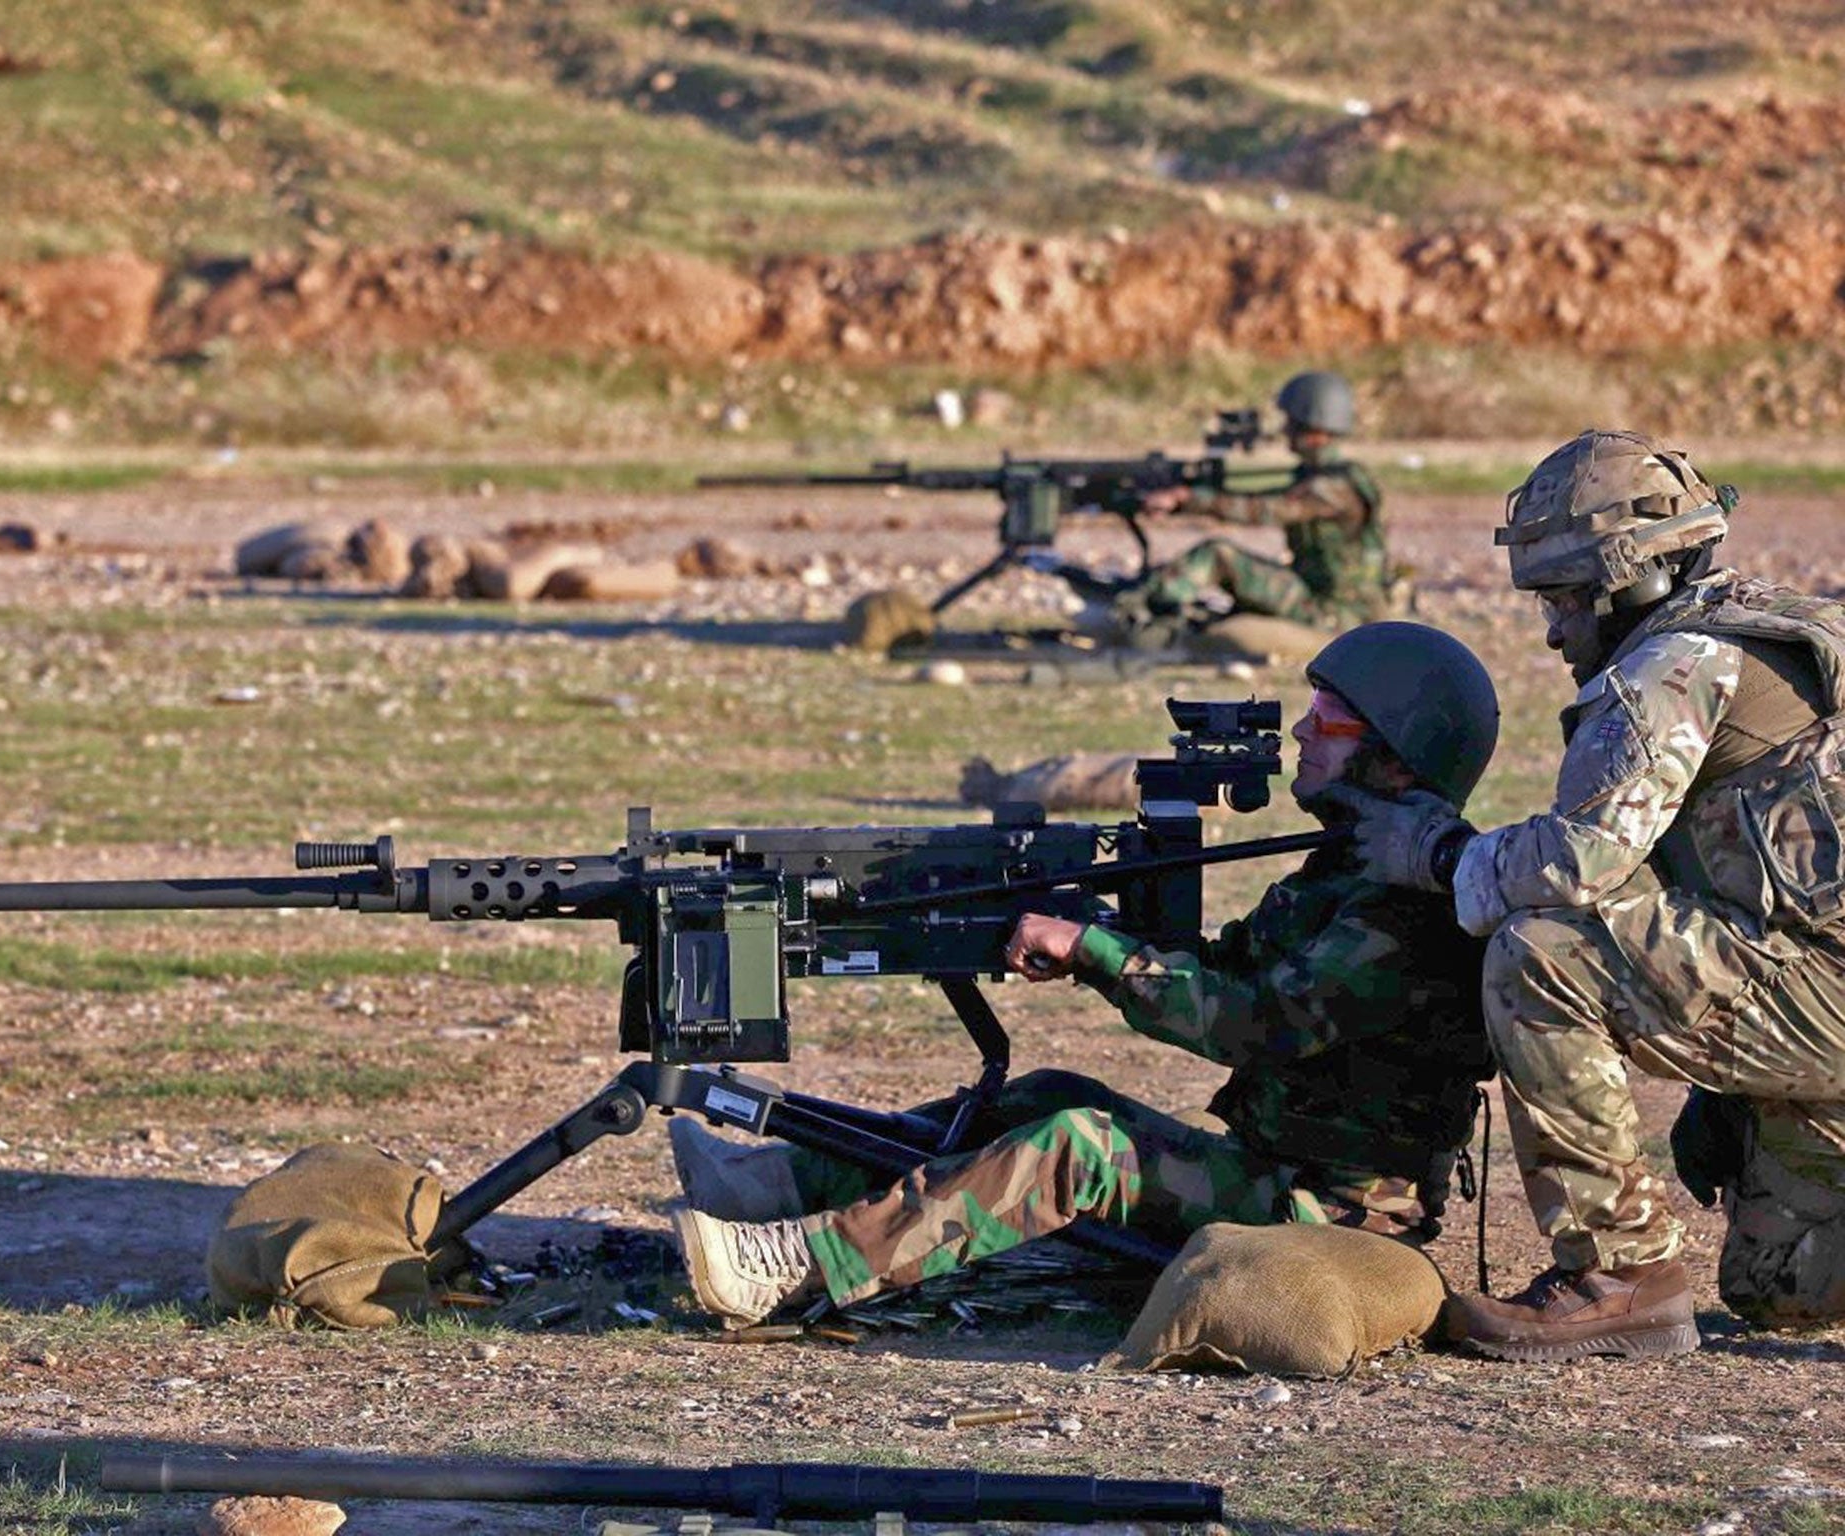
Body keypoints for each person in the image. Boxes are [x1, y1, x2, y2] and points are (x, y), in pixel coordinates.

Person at [669, 622, 1500, 1328]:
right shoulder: (1345, 874)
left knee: (1080, 1149)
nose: (1302, 733)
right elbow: (1229, 968)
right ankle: (772, 1184)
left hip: (1332, 1210)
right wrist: (1097, 935)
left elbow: (1251, 1022)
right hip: (1278, 1168)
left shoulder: (1403, 911)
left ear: (1396, 758)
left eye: (1330, 718)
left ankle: (796, 1269)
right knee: (1049, 1095)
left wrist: (1100, 954)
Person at [1329, 430, 1845, 1362]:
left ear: (1631, 581)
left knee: (1541, 951)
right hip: (1823, 988)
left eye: (1565, 600)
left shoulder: (1677, 667)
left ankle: (1622, 1277)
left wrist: (1439, 854)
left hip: (1829, 996)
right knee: (1780, 1288)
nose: (1555, 629)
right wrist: (1728, 1089)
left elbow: (1578, 864)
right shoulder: (1787, 631)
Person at [1133, 371, 1393, 629]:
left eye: (1292, 422)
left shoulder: (1335, 486)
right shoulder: (1329, 476)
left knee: (1219, 555)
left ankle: (1143, 613)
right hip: (1329, 601)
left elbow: (1268, 510)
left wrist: (1189, 499)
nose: (1285, 429)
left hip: (1336, 614)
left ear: (1313, 426)